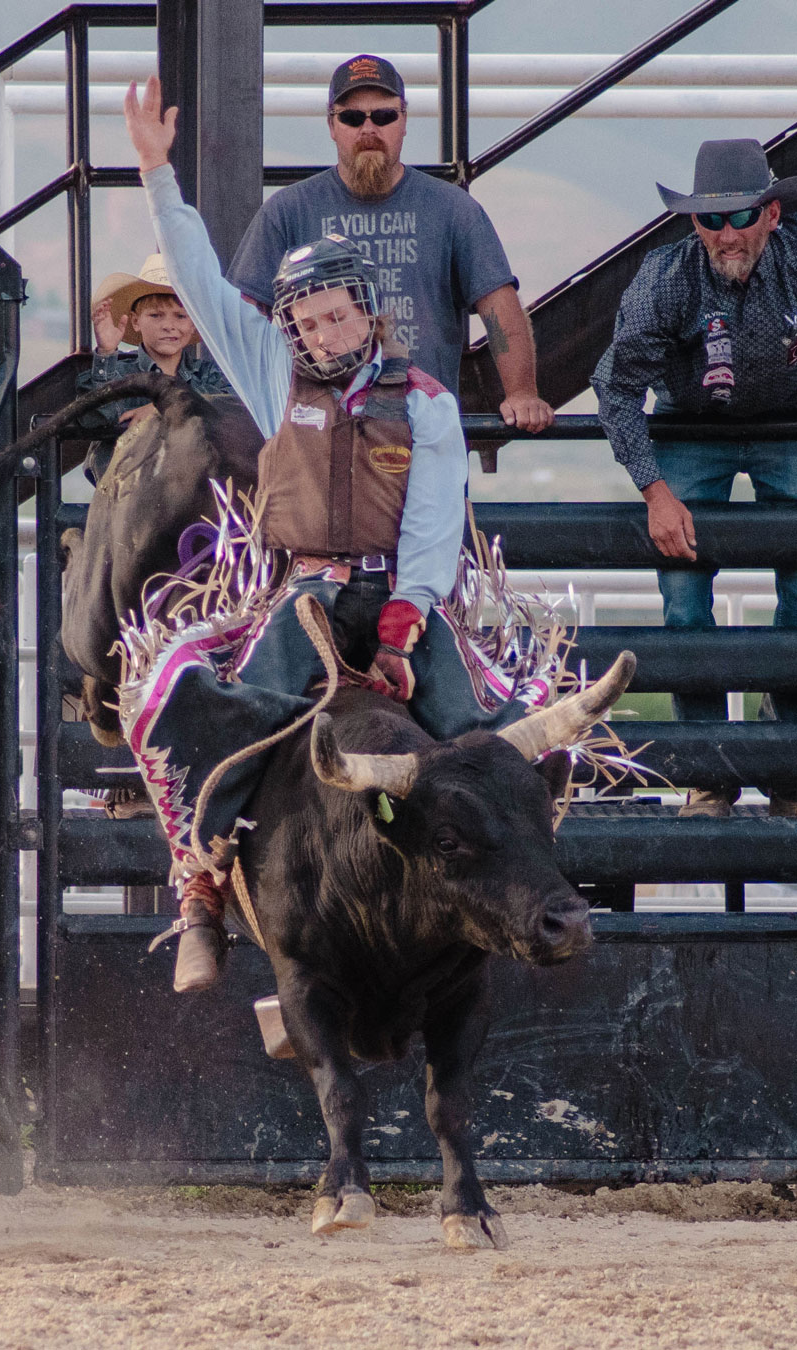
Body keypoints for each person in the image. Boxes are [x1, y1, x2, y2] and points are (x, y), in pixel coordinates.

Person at [121, 76, 558, 993]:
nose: (324, 332)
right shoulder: (273, 370)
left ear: (367, 311)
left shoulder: (428, 403)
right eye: (308, 321)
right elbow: (200, 282)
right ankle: (201, 891)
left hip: (404, 592)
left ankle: (529, 891)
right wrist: (158, 178)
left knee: (493, 733)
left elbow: (436, 522)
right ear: (293, 329)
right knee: (227, 720)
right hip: (309, 592)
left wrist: (406, 623)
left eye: (338, 314)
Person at [592, 138, 797, 818]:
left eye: (741, 216)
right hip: (687, 429)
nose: (727, 233)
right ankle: (709, 768)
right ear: (693, 224)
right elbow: (617, 390)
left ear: (771, 213)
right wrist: (654, 490)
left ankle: (785, 756)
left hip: (787, 428)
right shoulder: (666, 280)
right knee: (683, 598)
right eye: (712, 219)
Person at [226, 53, 553, 428]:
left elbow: (500, 309)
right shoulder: (286, 211)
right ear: (332, 125)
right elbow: (243, 318)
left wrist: (522, 393)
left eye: (383, 116)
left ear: (404, 121)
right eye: (352, 117)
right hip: (317, 431)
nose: (368, 129)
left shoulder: (454, 210)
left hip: (424, 425)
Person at [75, 254, 235, 483]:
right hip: (128, 495)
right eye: (156, 315)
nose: (169, 325)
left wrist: (166, 407)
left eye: (180, 316)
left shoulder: (208, 376)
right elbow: (94, 418)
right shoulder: (120, 374)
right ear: (135, 321)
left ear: (193, 324)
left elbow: (231, 406)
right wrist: (107, 352)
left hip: (196, 491)